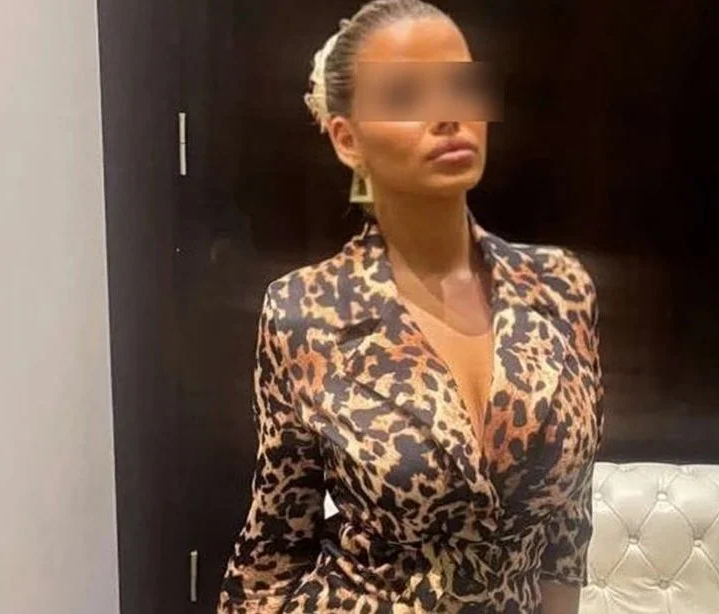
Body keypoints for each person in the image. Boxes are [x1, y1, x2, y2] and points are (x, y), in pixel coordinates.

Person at [217, 1, 605, 612]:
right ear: (348, 140)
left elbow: (567, 531)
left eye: (462, 86)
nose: (448, 115)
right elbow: (275, 542)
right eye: (404, 96)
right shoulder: (305, 313)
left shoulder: (559, 288)